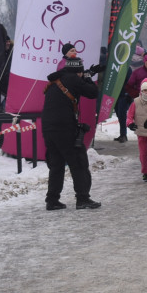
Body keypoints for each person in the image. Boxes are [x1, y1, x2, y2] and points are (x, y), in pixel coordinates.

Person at [41, 57, 101, 210]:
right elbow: (93, 92)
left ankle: (52, 200)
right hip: (64, 127)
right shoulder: (75, 79)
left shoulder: (57, 79)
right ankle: (83, 198)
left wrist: (85, 75)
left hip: (48, 127)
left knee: (56, 165)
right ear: (79, 71)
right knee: (78, 162)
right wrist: (88, 78)